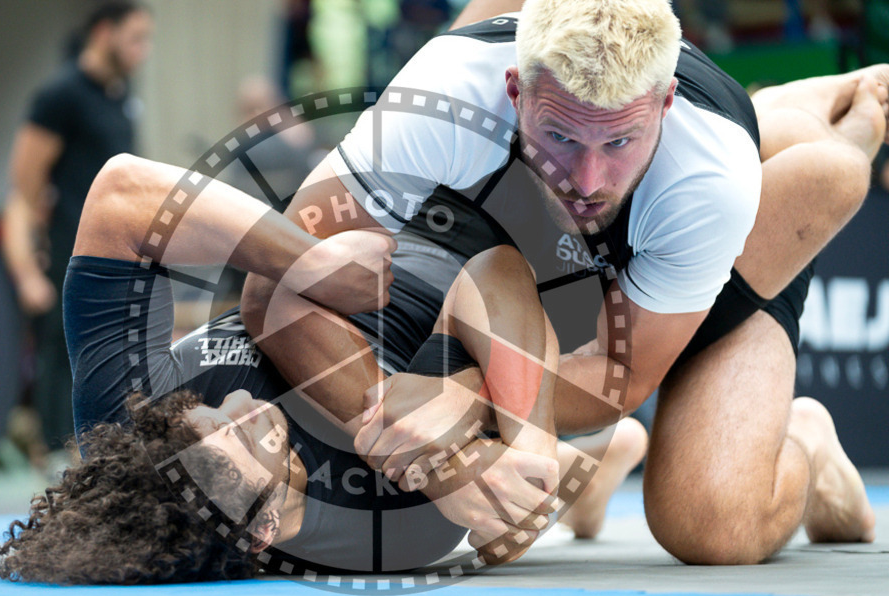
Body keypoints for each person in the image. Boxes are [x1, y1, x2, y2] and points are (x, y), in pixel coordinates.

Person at [238, 0, 884, 564]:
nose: (588, 177)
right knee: (418, 341)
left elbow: (617, 375)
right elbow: (272, 290)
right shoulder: (438, 100)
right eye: (561, 134)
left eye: (620, 140)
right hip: (537, 249)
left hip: (683, 260)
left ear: (665, 102)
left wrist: (455, 403)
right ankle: (587, 466)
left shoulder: (708, 178)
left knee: (710, 528)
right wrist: (421, 444)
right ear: (515, 91)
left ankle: (813, 444)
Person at [0, 153, 648, 583]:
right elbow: (498, 276)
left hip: (390, 229)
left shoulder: (128, 443)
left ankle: (576, 477)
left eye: (206, 413)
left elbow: (120, 195)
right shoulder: (395, 527)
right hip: (507, 258)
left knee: (277, 301)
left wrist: (308, 262)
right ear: (264, 529)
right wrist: (504, 425)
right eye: (258, 439)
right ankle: (560, 469)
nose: (244, 409)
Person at [1, 1, 153, 454]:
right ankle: (52, 454)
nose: (143, 51)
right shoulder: (60, 95)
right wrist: (27, 272)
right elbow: (22, 192)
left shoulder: (121, 96)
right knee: (65, 357)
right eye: (136, 38)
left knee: (114, 360)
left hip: (120, 255)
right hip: (69, 256)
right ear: (105, 32)